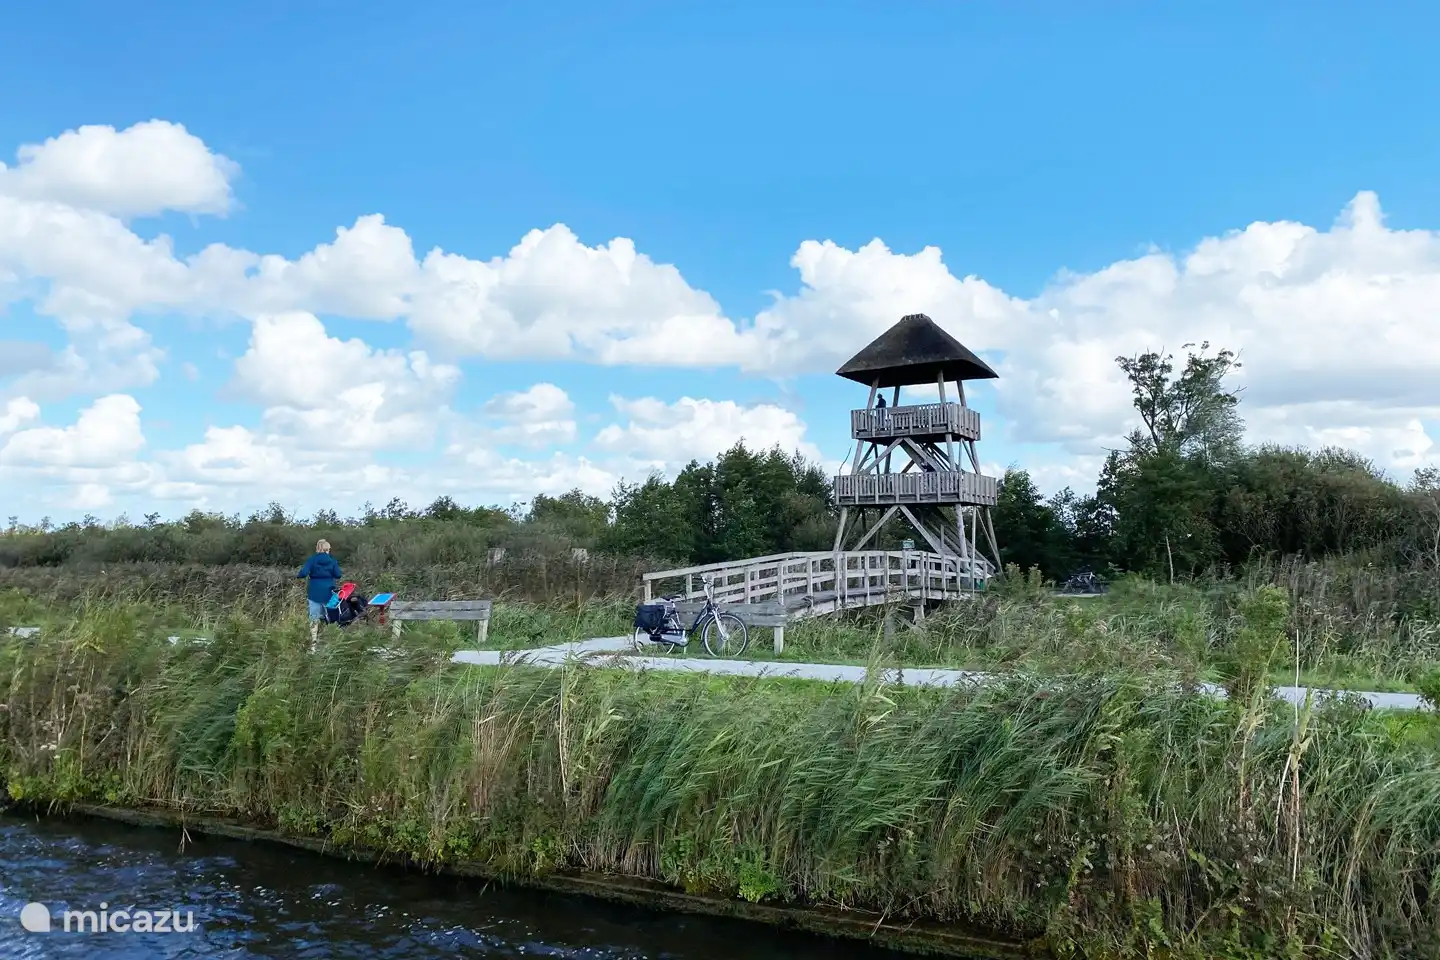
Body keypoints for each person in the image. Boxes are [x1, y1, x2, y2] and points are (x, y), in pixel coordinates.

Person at [297, 539, 342, 625]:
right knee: (329, 616)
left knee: (314, 617)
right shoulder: (333, 560)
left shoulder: (312, 560)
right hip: (329, 591)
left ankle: (314, 637)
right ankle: (330, 635)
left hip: (314, 591)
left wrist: (298, 575)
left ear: (318, 548)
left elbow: (303, 573)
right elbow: (338, 575)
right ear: (327, 549)